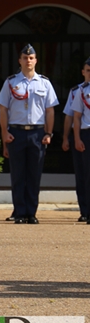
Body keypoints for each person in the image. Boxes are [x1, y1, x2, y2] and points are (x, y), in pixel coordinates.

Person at [0, 44, 57, 225]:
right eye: (25, 58)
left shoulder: (45, 83)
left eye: (31, 58)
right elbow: (3, 109)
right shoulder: (11, 82)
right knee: (18, 175)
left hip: (37, 133)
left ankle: (31, 212)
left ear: (36, 60)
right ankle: (20, 212)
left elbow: (50, 111)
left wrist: (49, 133)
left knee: (34, 174)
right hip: (16, 132)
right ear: (20, 60)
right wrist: (5, 133)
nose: (28, 61)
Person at [63, 58, 90, 222]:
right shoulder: (77, 91)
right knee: (83, 174)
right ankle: (85, 210)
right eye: (87, 70)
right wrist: (67, 137)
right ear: (83, 72)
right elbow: (71, 117)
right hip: (84, 134)